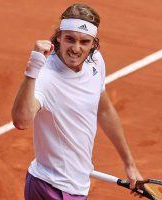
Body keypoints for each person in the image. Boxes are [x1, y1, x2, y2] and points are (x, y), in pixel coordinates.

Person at [11, 3, 143, 200]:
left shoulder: (96, 62)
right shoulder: (45, 77)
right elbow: (21, 120)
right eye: (70, 39)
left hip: (77, 187)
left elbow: (104, 109)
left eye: (84, 42)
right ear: (59, 37)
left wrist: (130, 164)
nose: (75, 48)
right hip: (50, 188)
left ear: (94, 44)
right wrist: (32, 70)